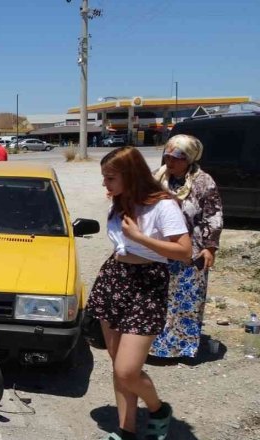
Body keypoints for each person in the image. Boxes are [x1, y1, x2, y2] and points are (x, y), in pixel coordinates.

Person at [88, 146, 191, 440]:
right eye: (104, 178)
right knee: (117, 363)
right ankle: (126, 430)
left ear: (130, 176)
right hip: (115, 280)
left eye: (110, 178)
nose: (105, 185)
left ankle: (158, 409)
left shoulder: (163, 206)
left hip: (147, 284)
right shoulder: (121, 202)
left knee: (127, 370)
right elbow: (121, 245)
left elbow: (184, 251)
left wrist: (139, 238)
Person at [150, 134, 223, 359]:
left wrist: (209, 247)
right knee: (158, 299)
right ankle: (153, 348)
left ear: (189, 158)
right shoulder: (158, 178)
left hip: (190, 254)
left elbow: (214, 216)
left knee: (185, 302)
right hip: (160, 251)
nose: (170, 161)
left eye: (177, 157)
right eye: (167, 155)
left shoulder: (203, 182)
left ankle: (180, 349)